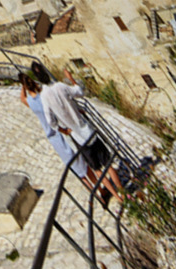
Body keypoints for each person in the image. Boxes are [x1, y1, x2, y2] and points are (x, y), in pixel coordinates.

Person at [40, 68, 126, 203]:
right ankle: (123, 193)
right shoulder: (61, 86)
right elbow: (79, 92)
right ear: (46, 74)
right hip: (87, 129)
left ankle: (116, 197)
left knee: (97, 169)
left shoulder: (44, 96)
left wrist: (64, 130)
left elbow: (50, 121)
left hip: (77, 136)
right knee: (108, 164)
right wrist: (71, 78)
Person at [19, 72, 88, 183]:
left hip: (54, 136)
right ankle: (100, 188)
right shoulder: (44, 96)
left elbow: (22, 98)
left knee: (75, 166)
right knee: (82, 160)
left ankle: (94, 192)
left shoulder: (30, 102)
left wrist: (23, 85)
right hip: (64, 127)